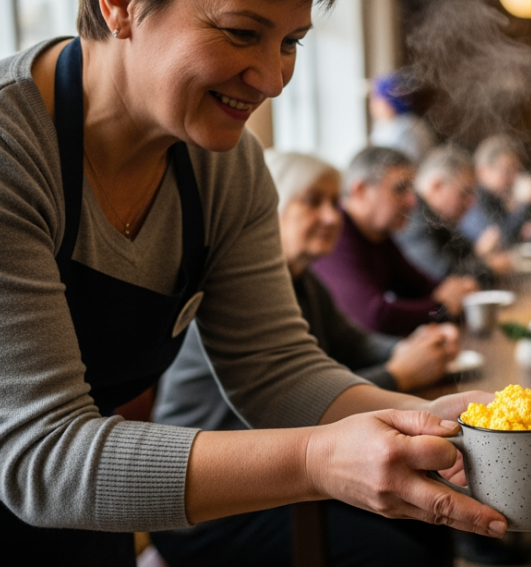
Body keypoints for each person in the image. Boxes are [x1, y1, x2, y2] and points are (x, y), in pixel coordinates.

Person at [0, 0, 507, 563]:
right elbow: (39, 458)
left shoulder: (226, 167)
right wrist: (314, 459)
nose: (274, 78)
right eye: (243, 32)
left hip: (87, 517)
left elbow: (275, 370)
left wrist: (423, 425)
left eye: (290, 42)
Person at [150, 151, 461, 567]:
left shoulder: (304, 281)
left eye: (334, 203)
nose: (333, 217)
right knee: (399, 554)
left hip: (281, 475)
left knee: (429, 518)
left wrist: (414, 348)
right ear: (269, 209)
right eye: (312, 202)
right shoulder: (232, 293)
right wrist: (397, 374)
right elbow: (282, 404)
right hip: (216, 505)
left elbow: (355, 343)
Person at [314, 146, 478, 334]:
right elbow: (375, 317)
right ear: (360, 190)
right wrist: (443, 308)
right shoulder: (336, 231)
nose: (412, 201)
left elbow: (422, 287)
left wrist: (457, 292)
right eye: (400, 189)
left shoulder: (379, 235)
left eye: (411, 190)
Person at [396, 145, 508, 284]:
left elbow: (468, 253)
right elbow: (440, 275)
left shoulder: (437, 217)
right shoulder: (412, 215)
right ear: (437, 186)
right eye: (464, 193)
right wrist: (489, 268)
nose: (471, 203)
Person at [459, 134, 531, 247]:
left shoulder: (500, 197)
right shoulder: (474, 206)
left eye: (517, 170)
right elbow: (504, 238)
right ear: (483, 171)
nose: (515, 177)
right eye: (507, 171)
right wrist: (525, 203)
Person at [369, 70, 437, 163]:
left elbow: (407, 166)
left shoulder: (408, 129)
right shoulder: (385, 126)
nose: (373, 105)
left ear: (390, 103)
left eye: (377, 100)